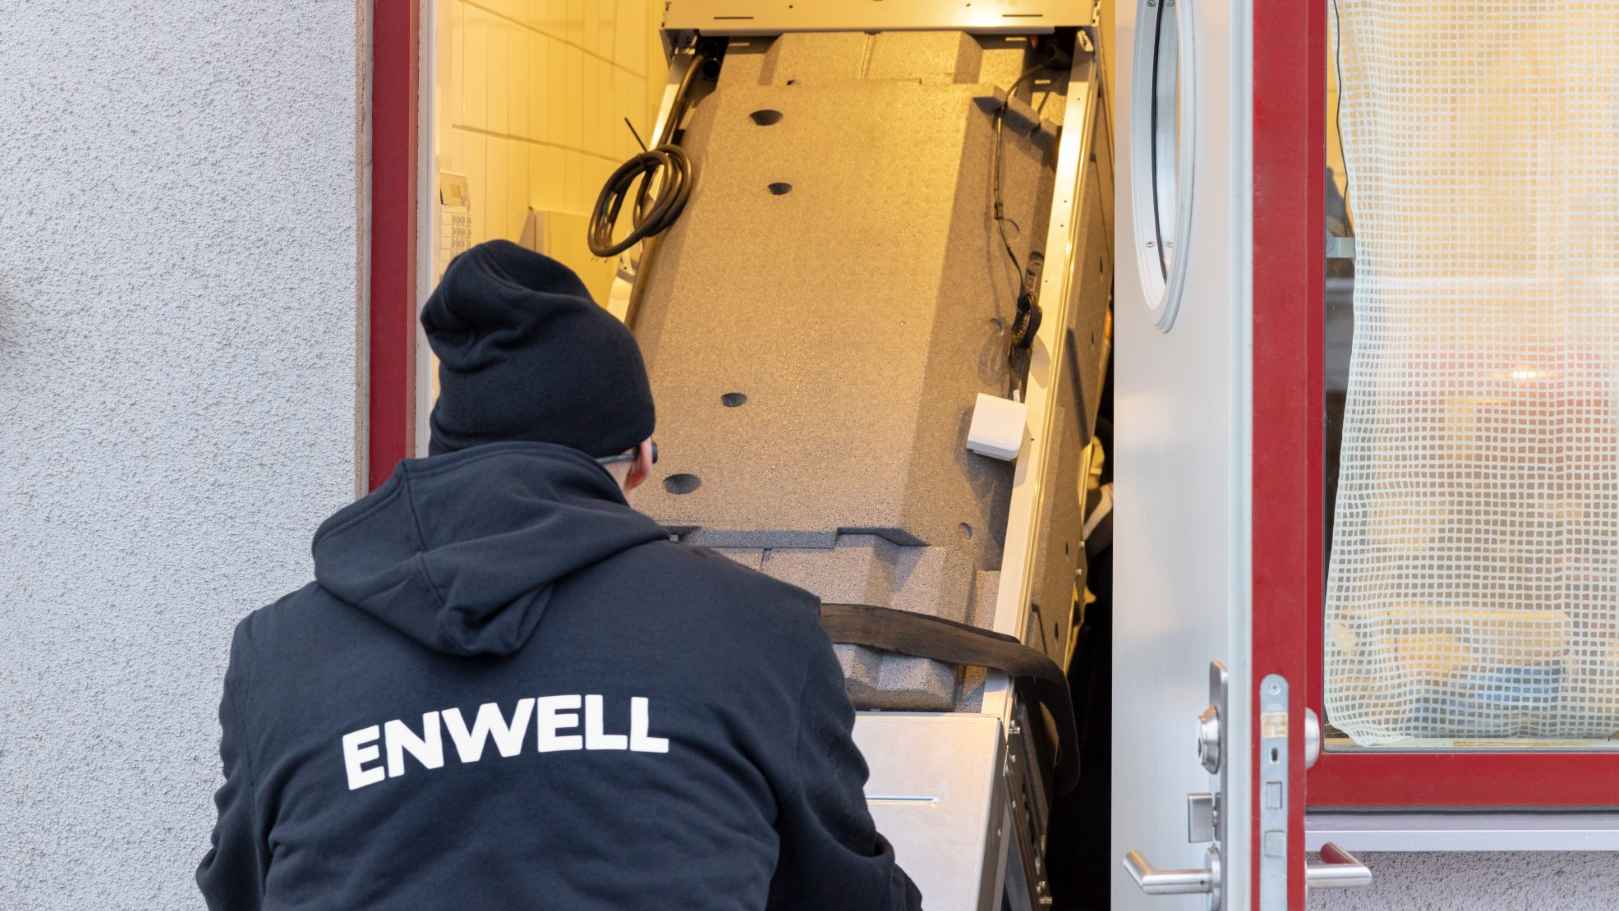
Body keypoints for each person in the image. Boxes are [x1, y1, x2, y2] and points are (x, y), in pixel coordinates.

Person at [197, 240, 922, 910]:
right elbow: (845, 894)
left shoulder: (278, 653)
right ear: (640, 459)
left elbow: (240, 891)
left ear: (448, 448)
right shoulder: (760, 630)